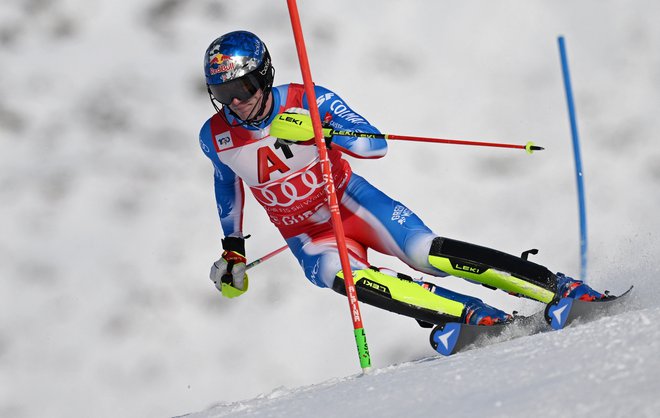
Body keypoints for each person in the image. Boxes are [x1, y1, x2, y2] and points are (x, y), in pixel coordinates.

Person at [199, 30, 607, 328]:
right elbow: (227, 184)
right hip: (305, 231)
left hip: (350, 201)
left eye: (243, 86)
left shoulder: (306, 97)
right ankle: (468, 315)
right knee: (336, 275)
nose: (236, 102)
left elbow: (375, 145)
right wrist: (233, 248)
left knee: (424, 252)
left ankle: (556, 288)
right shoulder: (214, 136)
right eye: (223, 91)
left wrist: (319, 130)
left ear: (264, 75)